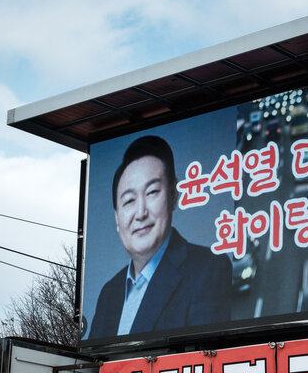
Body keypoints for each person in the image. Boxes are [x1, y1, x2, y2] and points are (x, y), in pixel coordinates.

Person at [89, 135, 232, 339]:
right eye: (128, 201)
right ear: (117, 219)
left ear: (173, 196)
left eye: (152, 192)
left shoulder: (209, 270)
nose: (140, 213)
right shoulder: (109, 293)